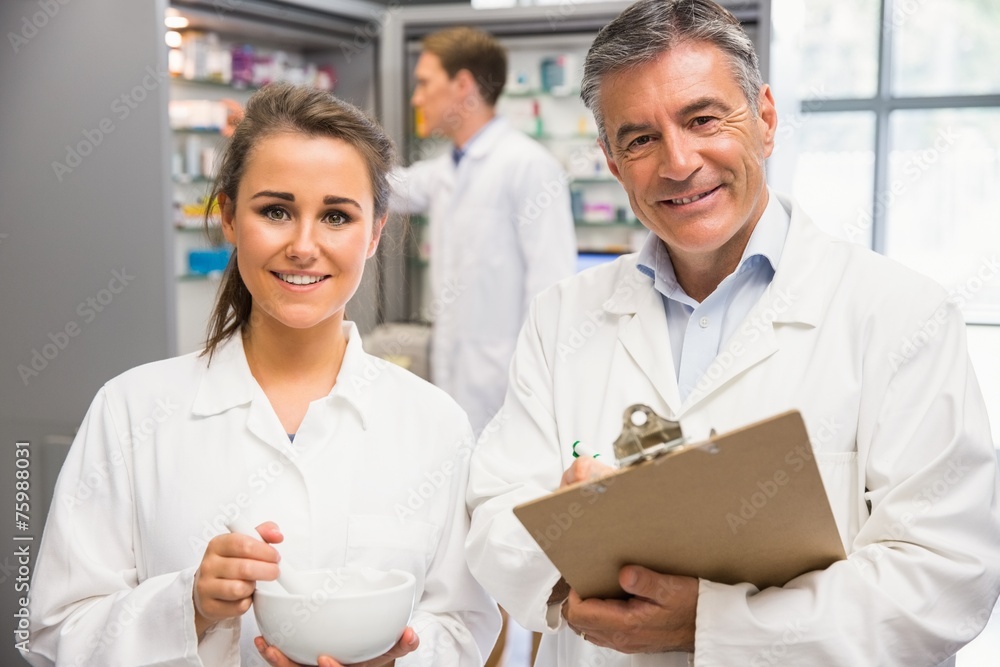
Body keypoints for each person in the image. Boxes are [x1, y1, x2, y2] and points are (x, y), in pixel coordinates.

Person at [465, 1, 1000, 665]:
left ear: (766, 120)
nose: (678, 162)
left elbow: (944, 577)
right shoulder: (562, 318)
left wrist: (715, 623)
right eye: (640, 139)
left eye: (703, 119)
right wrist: (570, 558)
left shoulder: (902, 315)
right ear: (611, 161)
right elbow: (495, 509)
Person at [25, 83, 500, 667]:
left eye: (336, 216)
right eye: (275, 211)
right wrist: (189, 605)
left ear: (375, 232)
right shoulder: (131, 408)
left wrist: (394, 659)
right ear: (228, 216)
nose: (304, 246)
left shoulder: (433, 423)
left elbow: (463, 624)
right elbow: (56, 631)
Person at [391, 26, 578, 435]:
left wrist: (534, 381)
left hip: (507, 382)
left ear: (462, 85)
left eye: (425, 83)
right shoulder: (447, 169)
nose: (417, 98)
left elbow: (552, 284)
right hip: (455, 373)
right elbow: (385, 189)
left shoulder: (528, 165)